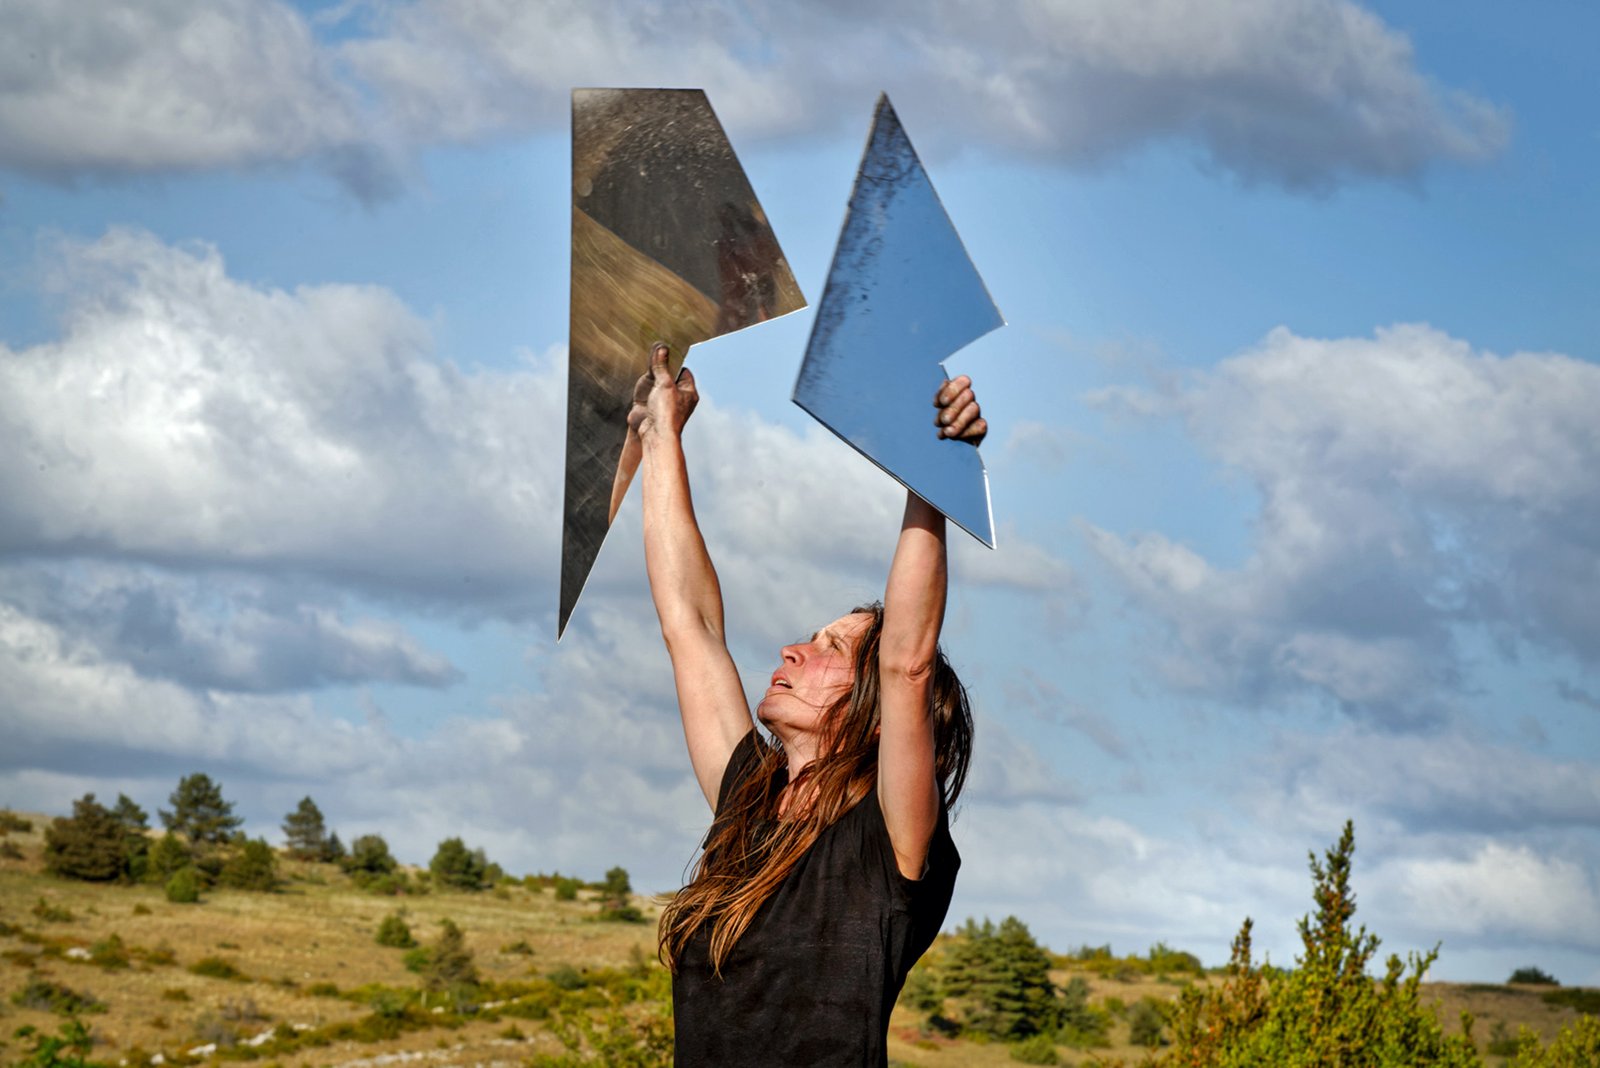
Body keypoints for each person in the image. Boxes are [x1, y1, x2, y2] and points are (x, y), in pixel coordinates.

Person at [628, 342, 985, 1066]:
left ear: (874, 714)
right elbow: (689, 627)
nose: (793, 650)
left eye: (830, 649)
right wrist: (661, 434)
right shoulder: (747, 805)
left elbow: (908, 663)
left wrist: (933, 469)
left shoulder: (888, 842)